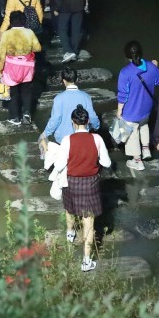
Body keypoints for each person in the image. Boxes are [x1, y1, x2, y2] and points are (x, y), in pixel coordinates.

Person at [51, 105, 112, 272]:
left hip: (71, 182)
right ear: (88, 122)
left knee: (69, 209)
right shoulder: (97, 139)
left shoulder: (67, 140)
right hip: (91, 183)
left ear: (73, 122)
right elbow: (106, 163)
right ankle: (86, 261)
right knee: (89, 222)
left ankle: (70, 233)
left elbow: (59, 164)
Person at [115, 41, 159, 171]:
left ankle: (137, 161)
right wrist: (156, 67)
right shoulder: (150, 66)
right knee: (144, 125)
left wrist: (119, 110)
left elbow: (123, 94)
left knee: (132, 134)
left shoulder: (125, 72)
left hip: (131, 111)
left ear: (127, 56)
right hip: (146, 108)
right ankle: (146, 149)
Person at [0, 11, 41, 127]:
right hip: (27, 67)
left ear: (11, 22)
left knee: (13, 93)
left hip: (11, 67)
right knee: (26, 91)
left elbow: (1, 55)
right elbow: (37, 48)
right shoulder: (29, 32)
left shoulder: (6, 34)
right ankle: (27, 114)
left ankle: (15, 117)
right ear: (24, 21)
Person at [39, 67, 100, 149]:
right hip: (82, 136)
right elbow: (92, 116)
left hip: (62, 138)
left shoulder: (58, 98)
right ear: (77, 79)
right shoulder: (86, 96)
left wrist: (46, 133)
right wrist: (96, 126)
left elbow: (55, 119)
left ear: (63, 81)